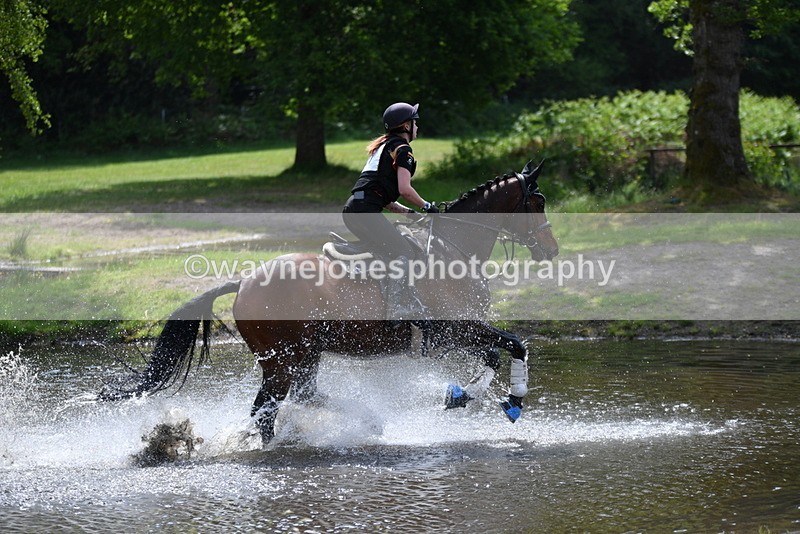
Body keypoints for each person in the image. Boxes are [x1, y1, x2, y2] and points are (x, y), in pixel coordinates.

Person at [342, 102, 439, 322]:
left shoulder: (383, 147)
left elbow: (382, 198)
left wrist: (411, 214)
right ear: (406, 125)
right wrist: (427, 206)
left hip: (354, 208)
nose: (418, 127)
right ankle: (396, 308)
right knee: (403, 251)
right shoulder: (403, 150)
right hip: (364, 211)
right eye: (415, 122)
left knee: (389, 249)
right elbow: (405, 189)